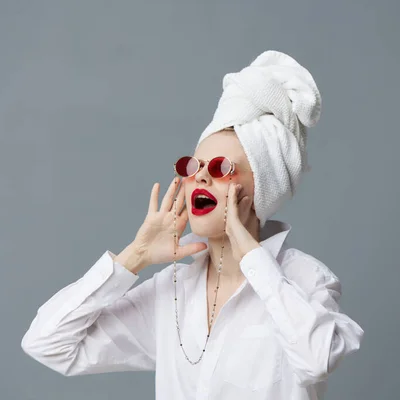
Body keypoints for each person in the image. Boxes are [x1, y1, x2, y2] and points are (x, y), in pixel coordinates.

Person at [21, 50, 364, 400]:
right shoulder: (172, 292)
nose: (199, 175)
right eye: (192, 165)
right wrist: (134, 256)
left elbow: (317, 359)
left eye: (219, 168)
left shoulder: (306, 279)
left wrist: (252, 256)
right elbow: (47, 343)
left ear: (261, 187)